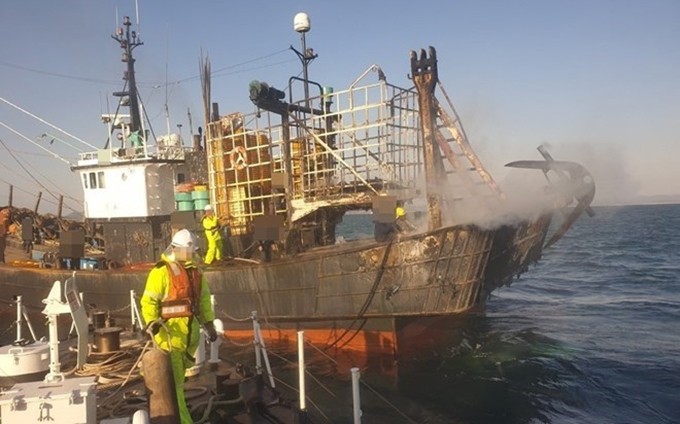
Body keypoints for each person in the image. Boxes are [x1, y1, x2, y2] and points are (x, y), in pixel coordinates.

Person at [140, 228, 218, 424]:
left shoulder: (195, 272)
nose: (193, 254)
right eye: (190, 251)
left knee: (179, 383)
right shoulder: (161, 272)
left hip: (187, 339)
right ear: (177, 249)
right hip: (169, 338)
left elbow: (204, 301)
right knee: (175, 386)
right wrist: (151, 322)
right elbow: (149, 301)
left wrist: (209, 324)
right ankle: (184, 421)